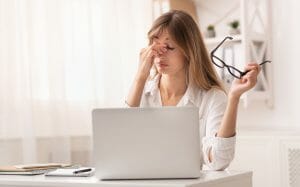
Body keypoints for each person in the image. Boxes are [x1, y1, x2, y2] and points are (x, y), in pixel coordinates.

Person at [125, 10, 261, 170]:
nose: (159, 55)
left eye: (169, 47)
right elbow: (124, 141)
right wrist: (140, 76)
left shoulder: (212, 97)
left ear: (189, 51)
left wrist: (234, 97)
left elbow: (218, 161)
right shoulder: (142, 90)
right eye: (155, 45)